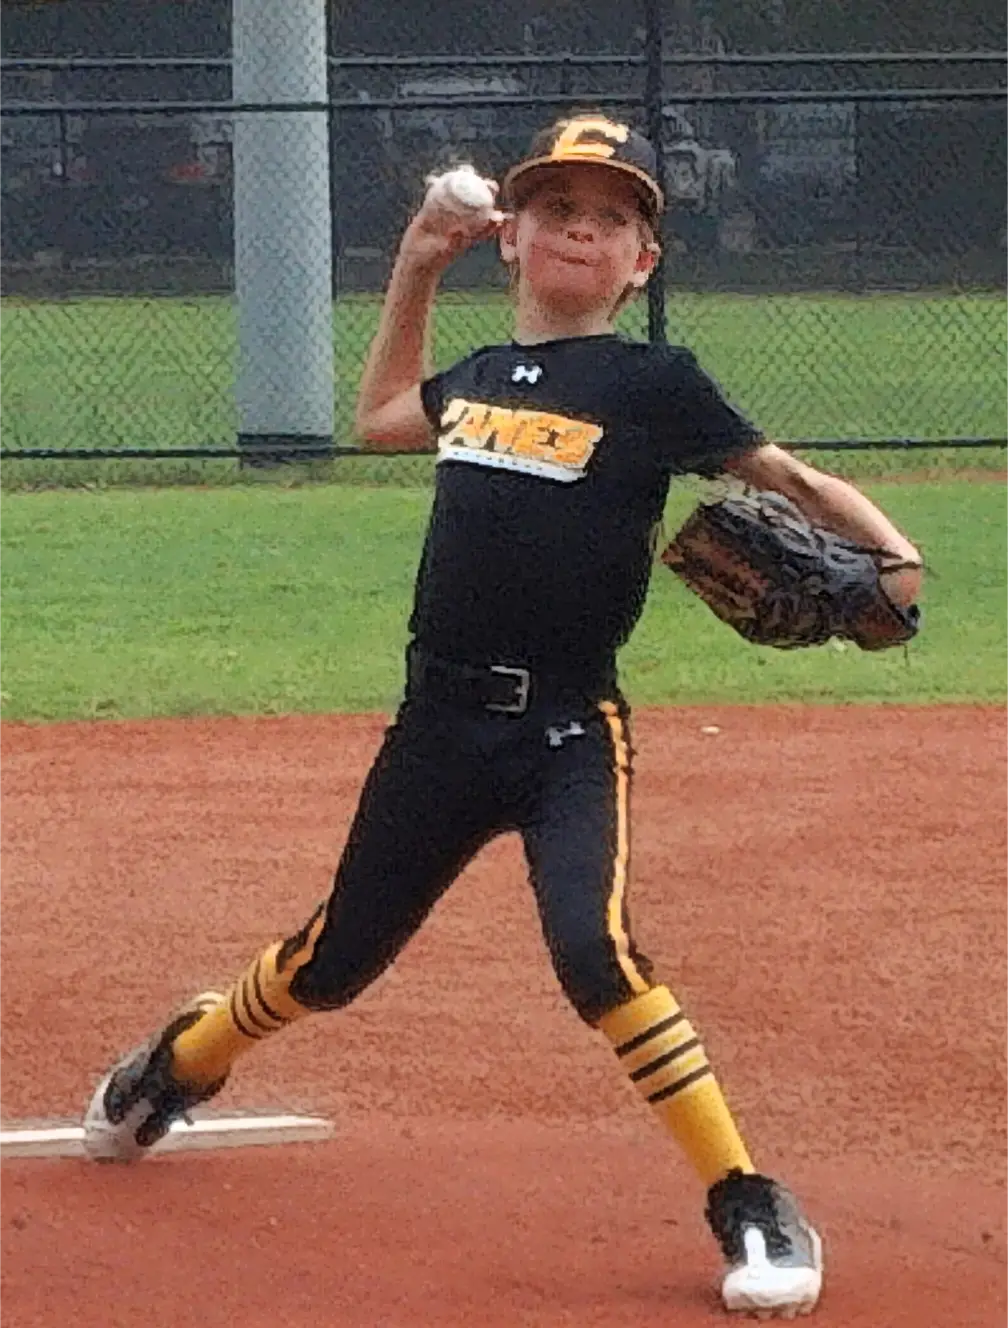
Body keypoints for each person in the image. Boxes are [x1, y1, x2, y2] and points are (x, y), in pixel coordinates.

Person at [83, 114, 922, 1319]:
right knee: (331, 961)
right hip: (436, 727)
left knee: (598, 954)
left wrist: (896, 561)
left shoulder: (655, 384)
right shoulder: (476, 378)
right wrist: (417, 261)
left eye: (613, 219)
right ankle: (180, 1062)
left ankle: (748, 1194)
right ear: (513, 237)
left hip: (568, 732)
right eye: (559, 210)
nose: (584, 230)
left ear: (642, 262)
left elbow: (790, 480)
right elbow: (380, 414)